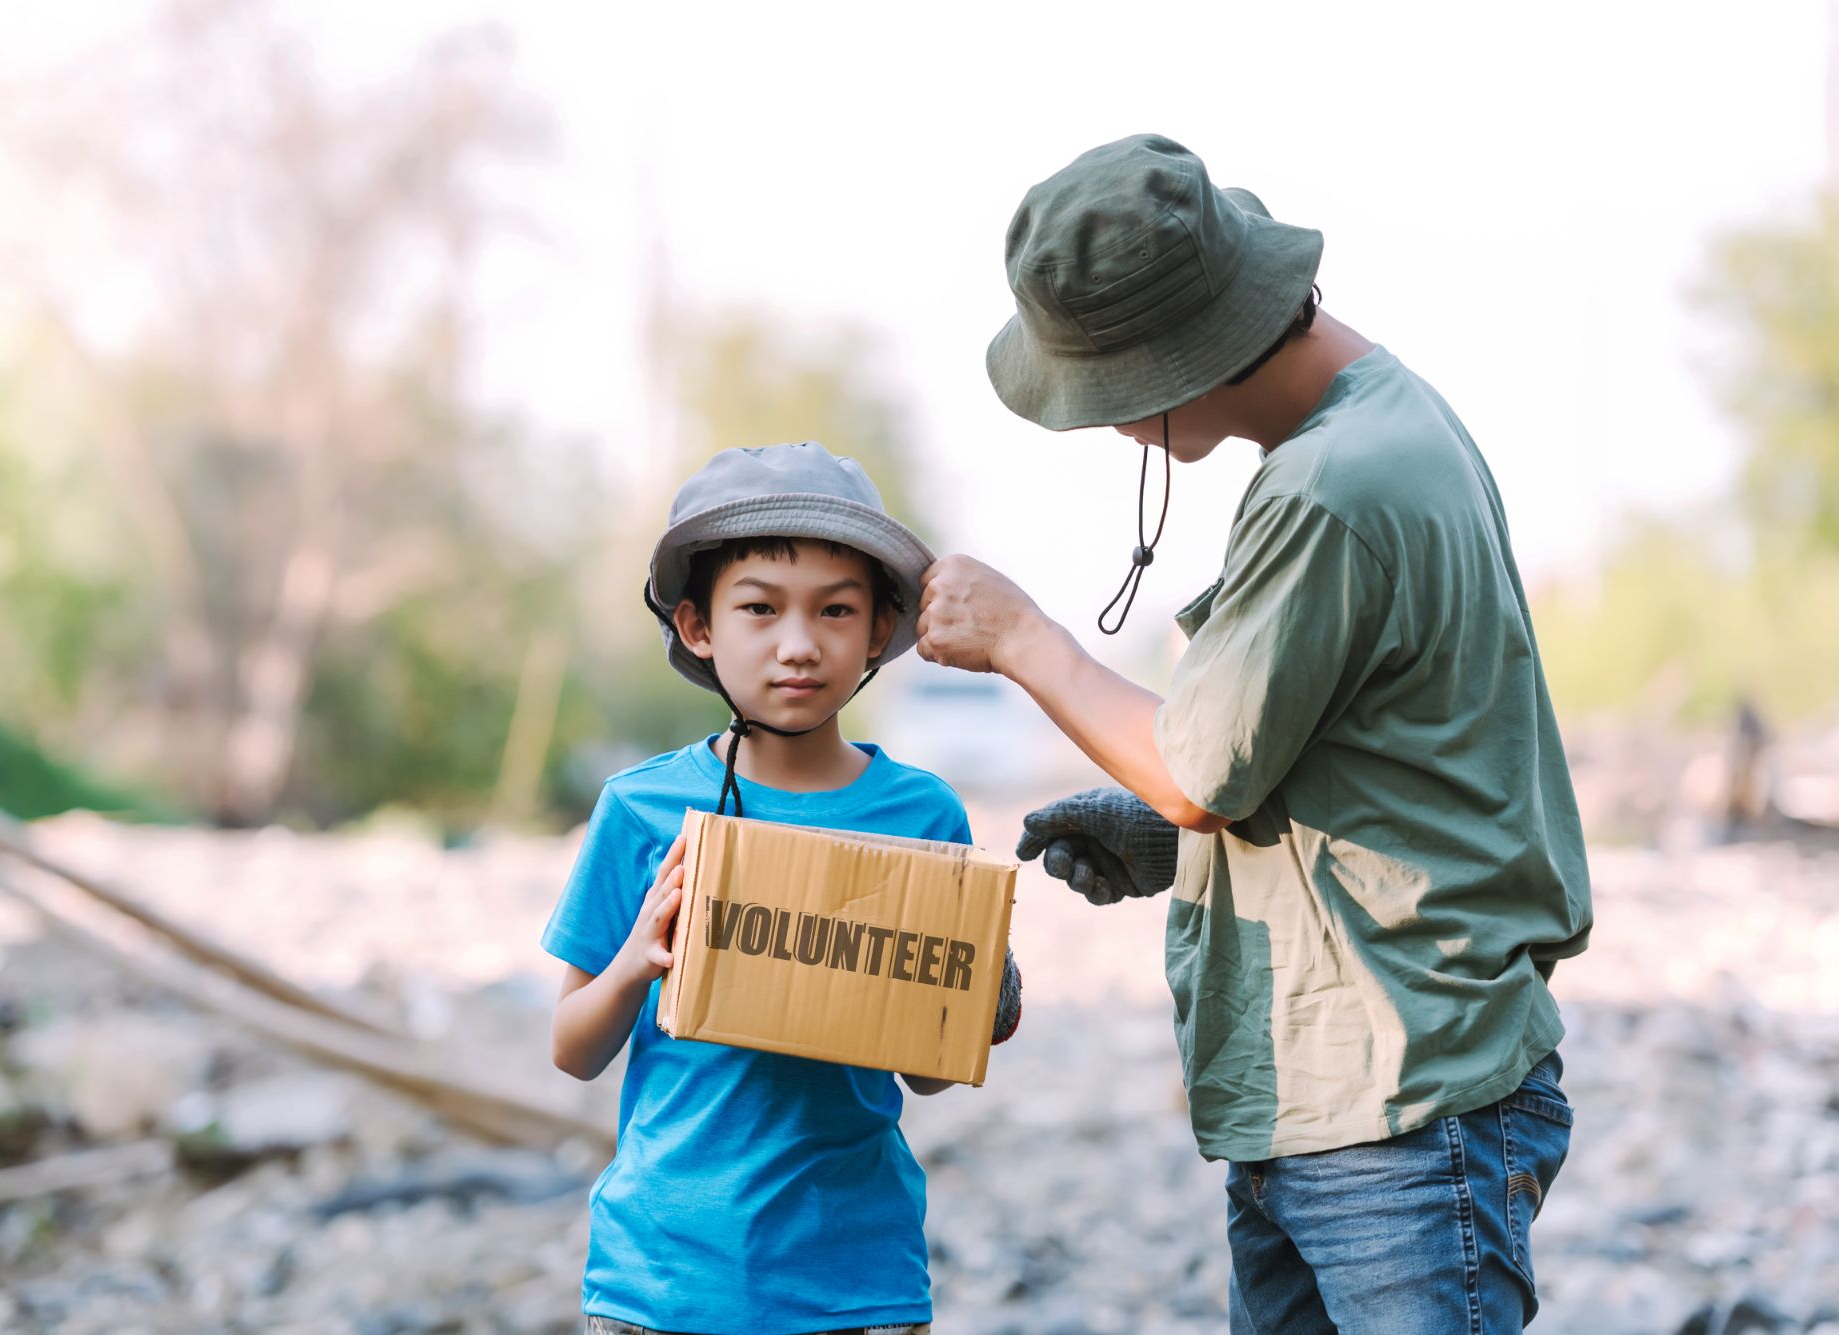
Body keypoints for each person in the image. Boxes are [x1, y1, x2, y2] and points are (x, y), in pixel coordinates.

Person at [915, 134, 1594, 1331]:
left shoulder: (1330, 485)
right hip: (1344, 1097)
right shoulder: (1385, 423)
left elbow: (1196, 771)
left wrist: (1022, 637)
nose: (1106, 427)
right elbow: (1384, 767)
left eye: (1107, 393)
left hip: (1394, 1106)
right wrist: (1177, 847)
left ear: (1181, 356)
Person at [543, 441, 1022, 1335]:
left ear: (878, 631)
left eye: (835, 611)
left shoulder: (922, 814)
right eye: (758, 609)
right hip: (659, 1283)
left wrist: (970, 991)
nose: (798, 644)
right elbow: (572, 1046)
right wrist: (633, 963)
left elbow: (928, 1076)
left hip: (855, 1281)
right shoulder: (642, 808)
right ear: (698, 627)